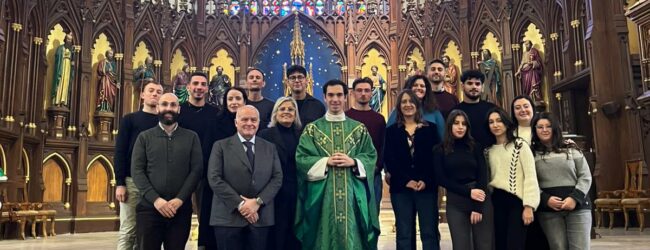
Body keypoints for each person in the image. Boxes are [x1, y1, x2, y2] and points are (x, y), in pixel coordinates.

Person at [295, 79, 380, 249]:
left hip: (352, 195)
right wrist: (325, 161)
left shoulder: (359, 129)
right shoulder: (312, 129)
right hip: (322, 196)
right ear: (324, 98)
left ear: (346, 97)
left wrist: (354, 162)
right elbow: (301, 158)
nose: (335, 99)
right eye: (331, 95)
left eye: (339, 95)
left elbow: (371, 156)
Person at [131, 93, 203, 250]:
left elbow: (196, 171)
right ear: (157, 108)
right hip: (149, 209)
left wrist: (180, 200)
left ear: (179, 109)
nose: (168, 108)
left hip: (180, 210)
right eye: (164, 104)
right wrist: (156, 200)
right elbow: (137, 171)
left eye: (173, 105)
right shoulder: (144, 137)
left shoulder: (191, 137)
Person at [208, 105, 283, 250]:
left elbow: (277, 178)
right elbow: (214, 178)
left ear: (259, 122)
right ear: (236, 122)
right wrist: (242, 205)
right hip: (228, 218)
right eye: (244, 119)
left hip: (260, 217)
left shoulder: (270, 147)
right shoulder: (220, 146)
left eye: (253, 120)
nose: (249, 123)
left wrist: (258, 202)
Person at [384, 90, 441, 250]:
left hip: (426, 187)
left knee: (429, 232)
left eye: (411, 101)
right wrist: (406, 180)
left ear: (417, 105)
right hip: (401, 188)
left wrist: (425, 179)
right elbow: (390, 159)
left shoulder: (430, 129)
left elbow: (434, 158)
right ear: (399, 106)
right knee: (404, 233)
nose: (408, 105)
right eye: (404, 102)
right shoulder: (392, 131)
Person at [531, 112, 592, 250]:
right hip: (549, 209)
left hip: (577, 206)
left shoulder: (570, 148)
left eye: (548, 126)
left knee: (580, 247)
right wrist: (545, 199)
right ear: (535, 130)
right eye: (540, 127)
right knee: (557, 247)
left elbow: (585, 176)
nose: (544, 130)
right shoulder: (531, 153)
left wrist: (574, 198)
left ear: (555, 128)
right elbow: (530, 180)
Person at [433, 110, 492, 250]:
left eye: (464, 124)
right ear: (449, 126)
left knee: (483, 245)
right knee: (461, 245)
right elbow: (440, 178)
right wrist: (468, 192)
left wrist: (477, 206)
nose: (460, 127)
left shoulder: (475, 147)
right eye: (456, 123)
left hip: (480, 199)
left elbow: (483, 176)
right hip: (456, 200)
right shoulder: (439, 149)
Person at [114, 81, 163, 250]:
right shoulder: (130, 120)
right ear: (142, 95)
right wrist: (120, 183)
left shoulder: (164, 122)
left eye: (158, 91)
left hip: (156, 185)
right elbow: (120, 152)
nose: (155, 94)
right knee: (129, 230)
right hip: (131, 182)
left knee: (149, 231)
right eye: (151, 90)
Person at [176, 71, 221, 250]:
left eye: (203, 84)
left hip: (207, 170)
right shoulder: (179, 111)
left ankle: (204, 246)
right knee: (180, 212)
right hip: (182, 170)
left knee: (206, 212)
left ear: (207, 89)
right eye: (195, 84)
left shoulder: (215, 113)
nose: (199, 87)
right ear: (188, 87)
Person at [485, 107, 540, 250]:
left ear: (506, 123)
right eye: (491, 122)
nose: (495, 125)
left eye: (499, 121)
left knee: (515, 245)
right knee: (500, 244)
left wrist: (529, 206)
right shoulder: (488, 151)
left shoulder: (520, 145)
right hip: (496, 202)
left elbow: (530, 177)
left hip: (517, 202)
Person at [258, 97, 303, 250]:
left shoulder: (303, 135)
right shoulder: (264, 135)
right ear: (275, 113)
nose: (286, 112)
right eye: (282, 109)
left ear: (295, 113)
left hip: (298, 192)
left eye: (290, 109)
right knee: (276, 236)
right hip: (274, 194)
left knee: (295, 234)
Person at [511, 95, 549, 250]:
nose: (522, 110)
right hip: (521, 191)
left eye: (526, 106)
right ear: (513, 112)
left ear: (532, 108)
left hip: (545, 187)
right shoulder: (510, 134)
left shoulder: (543, 130)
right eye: (517, 107)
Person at [346, 77, 386, 207]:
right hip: (349, 174)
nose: (363, 93)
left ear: (371, 92)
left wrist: (377, 167)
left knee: (372, 215)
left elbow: (383, 146)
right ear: (352, 93)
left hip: (372, 174)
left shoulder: (379, 119)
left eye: (367, 90)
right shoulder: (345, 117)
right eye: (359, 90)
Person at [454, 70, 497, 149]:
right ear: (462, 86)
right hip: (465, 155)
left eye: (477, 84)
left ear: (482, 87)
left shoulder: (492, 109)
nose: (474, 87)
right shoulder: (455, 111)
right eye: (470, 83)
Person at [51, 33, 75, 107]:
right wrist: (63, 56)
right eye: (68, 39)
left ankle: (63, 101)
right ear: (65, 39)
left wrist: (72, 61)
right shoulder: (60, 48)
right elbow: (57, 57)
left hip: (68, 68)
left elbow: (73, 60)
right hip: (61, 67)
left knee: (66, 83)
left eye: (70, 40)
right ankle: (57, 100)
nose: (69, 41)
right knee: (60, 82)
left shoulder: (71, 50)